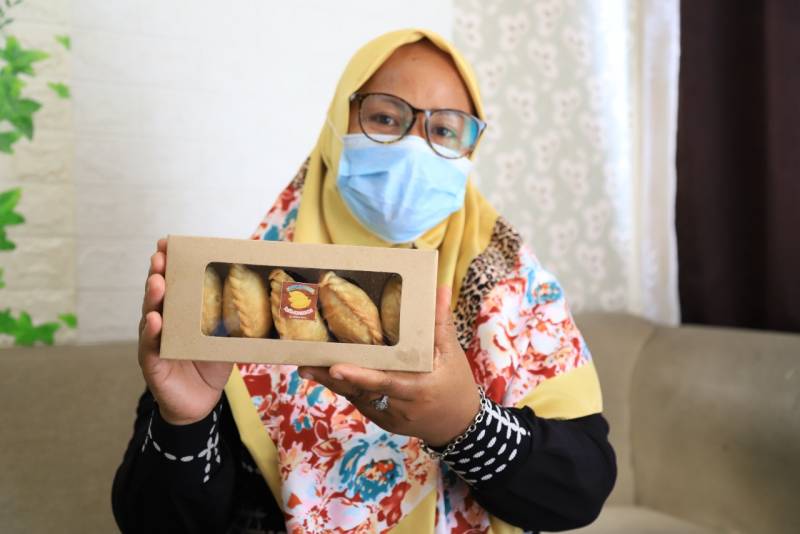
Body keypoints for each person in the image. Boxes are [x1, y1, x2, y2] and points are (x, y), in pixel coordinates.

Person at [113, 29, 616, 534]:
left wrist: (466, 424)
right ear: (337, 123)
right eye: (385, 118)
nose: (414, 148)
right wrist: (185, 424)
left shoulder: (510, 289)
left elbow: (581, 492)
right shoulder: (248, 298)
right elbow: (153, 525)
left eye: (445, 130)